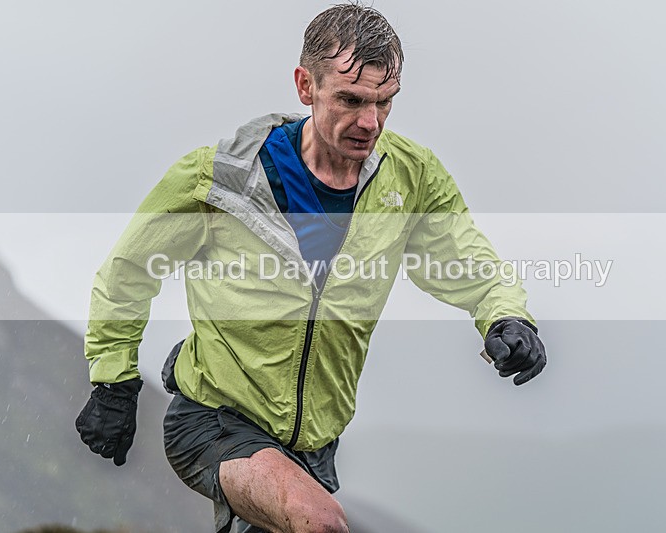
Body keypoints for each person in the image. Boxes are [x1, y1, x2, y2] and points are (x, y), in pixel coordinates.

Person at [75, 3, 547, 532]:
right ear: (305, 85)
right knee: (320, 524)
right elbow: (129, 270)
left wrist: (508, 318)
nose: (369, 122)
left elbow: (468, 260)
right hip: (215, 421)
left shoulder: (410, 178)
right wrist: (113, 381)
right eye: (350, 99)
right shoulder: (218, 178)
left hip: (317, 449)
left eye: (384, 103)